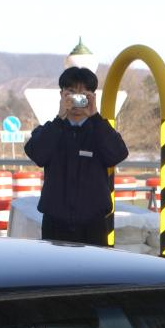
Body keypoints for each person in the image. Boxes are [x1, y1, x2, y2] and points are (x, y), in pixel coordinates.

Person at [24, 66, 129, 245]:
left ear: (92, 97)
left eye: (84, 94)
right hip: (55, 225)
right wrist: (59, 118)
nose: (77, 100)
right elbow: (37, 154)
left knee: (93, 273)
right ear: (62, 95)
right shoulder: (52, 130)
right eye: (71, 93)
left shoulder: (99, 131)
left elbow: (117, 154)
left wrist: (95, 116)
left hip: (93, 225)